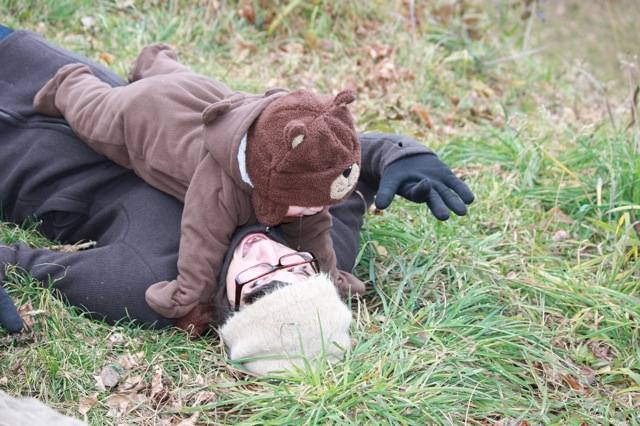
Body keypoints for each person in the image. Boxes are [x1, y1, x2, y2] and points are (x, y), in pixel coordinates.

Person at [0, 28, 474, 373]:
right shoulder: (315, 232)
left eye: (260, 286)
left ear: (231, 312)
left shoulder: (150, 284)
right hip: (31, 65)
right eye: (294, 271)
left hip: (15, 161)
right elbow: (332, 162)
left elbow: (23, 263)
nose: (268, 254)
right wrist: (403, 155)